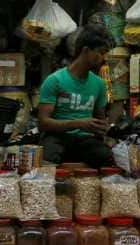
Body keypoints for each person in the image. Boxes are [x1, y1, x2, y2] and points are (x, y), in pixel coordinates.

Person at [38, 24, 114, 169]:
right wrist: (79, 124)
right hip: (57, 137)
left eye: (106, 53)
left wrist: (103, 129)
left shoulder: (99, 84)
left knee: (106, 158)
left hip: (85, 140)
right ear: (85, 50)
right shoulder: (55, 80)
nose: (104, 58)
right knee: (47, 158)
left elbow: (100, 120)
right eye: (100, 52)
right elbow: (43, 123)